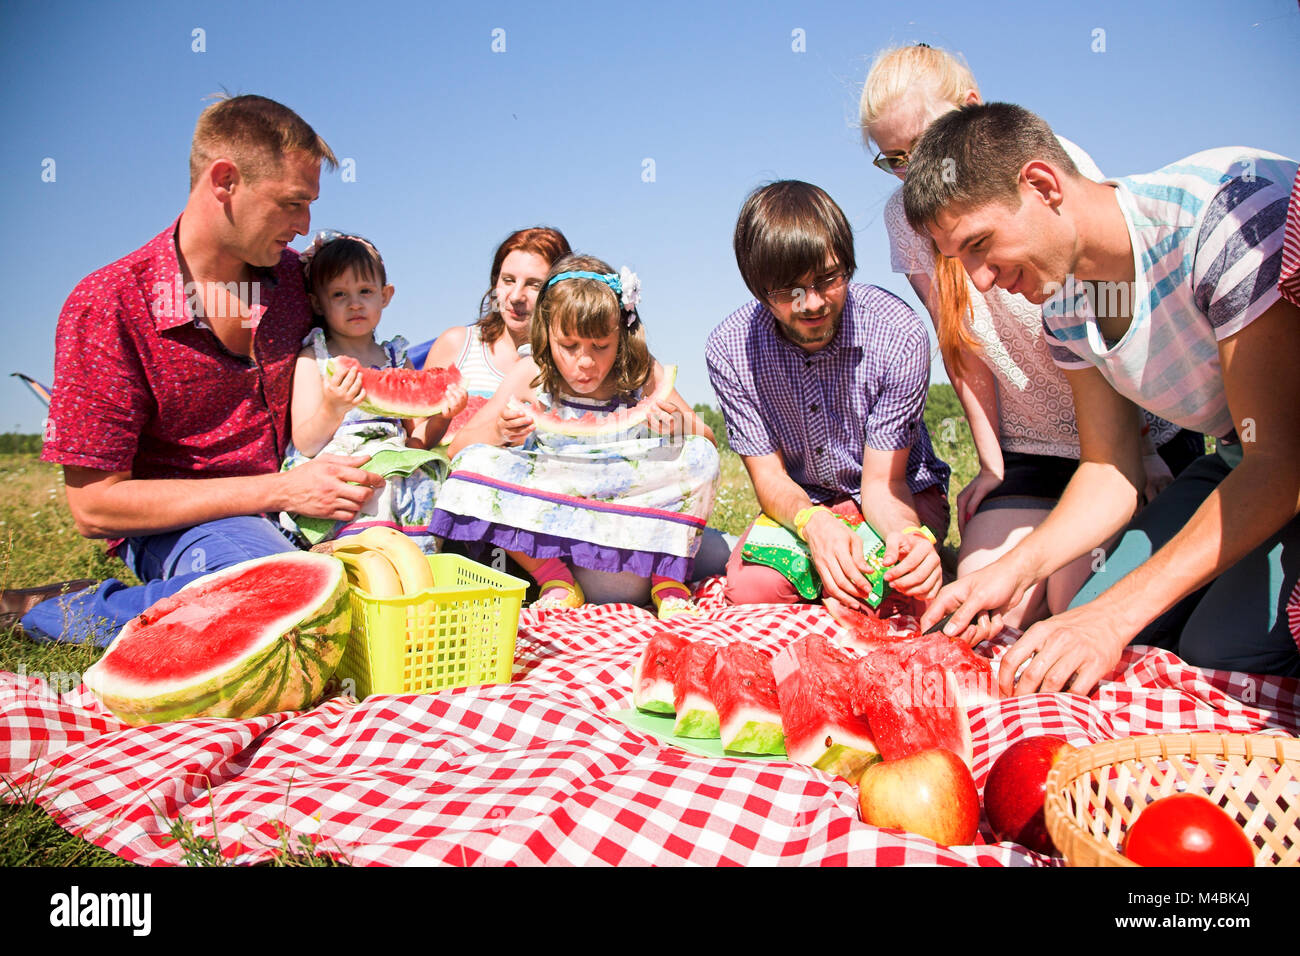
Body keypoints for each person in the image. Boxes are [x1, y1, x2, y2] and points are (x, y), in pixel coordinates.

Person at [904, 102, 1300, 693]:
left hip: (1277, 461)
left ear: (1042, 185)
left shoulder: (1225, 219)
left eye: (981, 244)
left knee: (1215, 647)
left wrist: (1112, 619)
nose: (980, 280)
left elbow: (1279, 462)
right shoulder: (1072, 300)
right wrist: (1014, 570)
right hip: (1237, 460)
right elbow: (1110, 466)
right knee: (1079, 617)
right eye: (962, 261)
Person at [7, 94, 385, 644]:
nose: (305, 227)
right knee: (278, 593)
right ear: (225, 181)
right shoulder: (109, 305)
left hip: (299, 506)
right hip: (181, 522)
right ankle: (48, 611)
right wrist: (280, 491)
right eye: (291, 203)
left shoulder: (296, 284)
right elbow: (93, 506)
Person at [860, 43, 1203, 631]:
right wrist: (992, 464)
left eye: (924, 147)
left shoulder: (1048, 167)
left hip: (1130, 431)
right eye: (895, 159)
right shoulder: (906, 218)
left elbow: (1112, 301)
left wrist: (1141, 447)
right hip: (1034, 444)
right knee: (989, 610)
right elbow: (961, 348)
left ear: (972, 108)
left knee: (1077, 595)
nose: (916, 171)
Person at [429, 254, 721, 620]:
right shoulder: (531, 374)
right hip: (560, 501)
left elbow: (706, 438)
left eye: (601, 346)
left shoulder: (641, 371)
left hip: (629, 500)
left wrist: (679, 424)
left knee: (698, 455)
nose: (585, 362)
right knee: (474, 461)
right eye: (569, 346)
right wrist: (499, 431)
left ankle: (669, 580)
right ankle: (555, 579)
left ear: (623, 334)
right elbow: (458, 447)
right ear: (546, 333)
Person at [706, 180, 951, 614]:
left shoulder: (899, 333)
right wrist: (814, 523)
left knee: (894, 581)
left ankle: (930, 558)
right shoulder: (729, 349)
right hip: (805, 501)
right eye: (788, 291)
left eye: (828, 279)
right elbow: (771, 479)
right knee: (751, 592)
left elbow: (883, 482)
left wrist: (908, 539)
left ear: (849, 264)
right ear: (757, 288)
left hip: (898, 492)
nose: (813, 303)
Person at [279, 232, 467, 552]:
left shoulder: (396, 358)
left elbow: (417, 440)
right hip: (344, 477)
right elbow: (306, 442)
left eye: (365, 291)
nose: (355, 303)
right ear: (317, 303)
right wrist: (333, 406)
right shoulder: (314, 358)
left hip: (397, 476)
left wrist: (442, 417)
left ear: (385, 296)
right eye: (339, 294)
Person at [421, 227, 572, 396]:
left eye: (534, 285)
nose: (515, 297)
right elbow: (418, 420)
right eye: (508, 280)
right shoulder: (456, 345)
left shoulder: (575, 364)